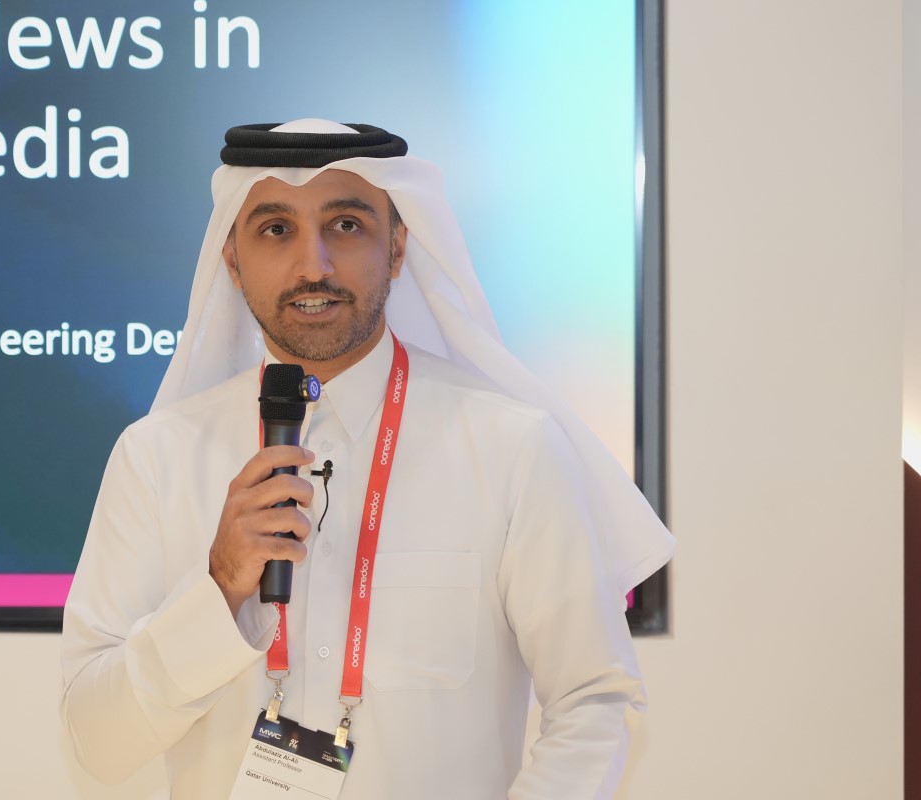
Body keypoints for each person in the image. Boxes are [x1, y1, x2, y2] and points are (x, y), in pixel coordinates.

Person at [61, 119, 674, 798]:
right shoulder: (157, 457)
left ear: (398, 247)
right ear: (232, 260)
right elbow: (97, 743)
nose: (314, 265)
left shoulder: (511, 446)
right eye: (275, 229)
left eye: (346, 225)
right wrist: (221, 586)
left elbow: (597, 703)